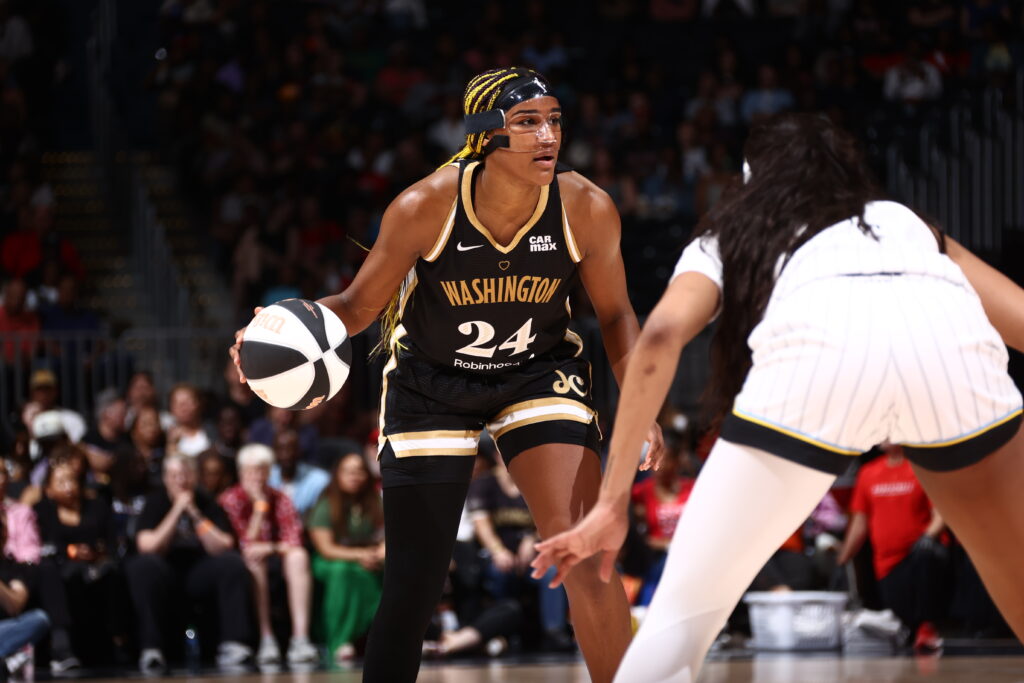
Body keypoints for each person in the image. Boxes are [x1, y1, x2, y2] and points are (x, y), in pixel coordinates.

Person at [531, 113, 1024, 682]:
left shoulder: (732, 231)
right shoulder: (902, 220)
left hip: (816, 372)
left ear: (751, 181)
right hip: (952, 356)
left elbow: (661, 335)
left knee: (678, 629)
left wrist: (613, 501)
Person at [230, 66, 664, 682]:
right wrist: (272, 331)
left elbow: (618, 313)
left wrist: (643, 409)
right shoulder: (424, 205)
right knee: (415, 582)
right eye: (527, 122)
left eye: (555, 121)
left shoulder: (586, 207)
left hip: (538, 371)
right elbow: (357, 307)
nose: (548, 136)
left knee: (588, 556)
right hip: (431, 383)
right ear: (487, 134)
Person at [127, 454, 252, 674]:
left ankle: (234, 644)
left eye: (185, 475)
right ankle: (151, 648)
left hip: (198, 570)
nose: (180, 481)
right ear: (165, 478)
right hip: (164, 570)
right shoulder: (155, 501)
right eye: (174, 476)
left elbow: (223, 545)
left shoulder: (205, 501)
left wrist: (194, 513)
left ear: (193, 478)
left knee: (232, 563)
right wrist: (176, 510)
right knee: (142, 566)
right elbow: (148, 546)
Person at [838, 443, 951, 651]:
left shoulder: (922, 467)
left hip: (918, 556)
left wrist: (928, 537)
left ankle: (930, 629)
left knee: (928, 559)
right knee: (900, 621)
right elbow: (859, 522)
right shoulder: (869, 472)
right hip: (886, 562)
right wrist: (844, 557)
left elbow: (941, 511)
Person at [218, 444, 318, 666]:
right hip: (244, 563)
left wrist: (270, 548)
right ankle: (267, 638)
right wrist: (260, 508)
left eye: (261, 470)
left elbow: (294, 539)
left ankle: (300, 639)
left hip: (275, 555)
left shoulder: (281, 498)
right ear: (240, 473)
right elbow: (244, 544)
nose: (256, 477)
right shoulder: (230, 499)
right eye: (250, 471)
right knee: (255, 560)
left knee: (299, 556)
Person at [307, 451, 384, 665]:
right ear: (338, 475)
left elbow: (389, 535)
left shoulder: (375, 501)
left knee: (390, 568)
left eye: (359, 471)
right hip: (331, 560)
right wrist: (360, 555)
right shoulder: (326, 504)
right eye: (348, 472)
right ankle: (339, 640)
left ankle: (389, 638)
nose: (355, 476)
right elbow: (326, 548)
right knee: (344, 572)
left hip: (367, 557)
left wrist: (379, 553)